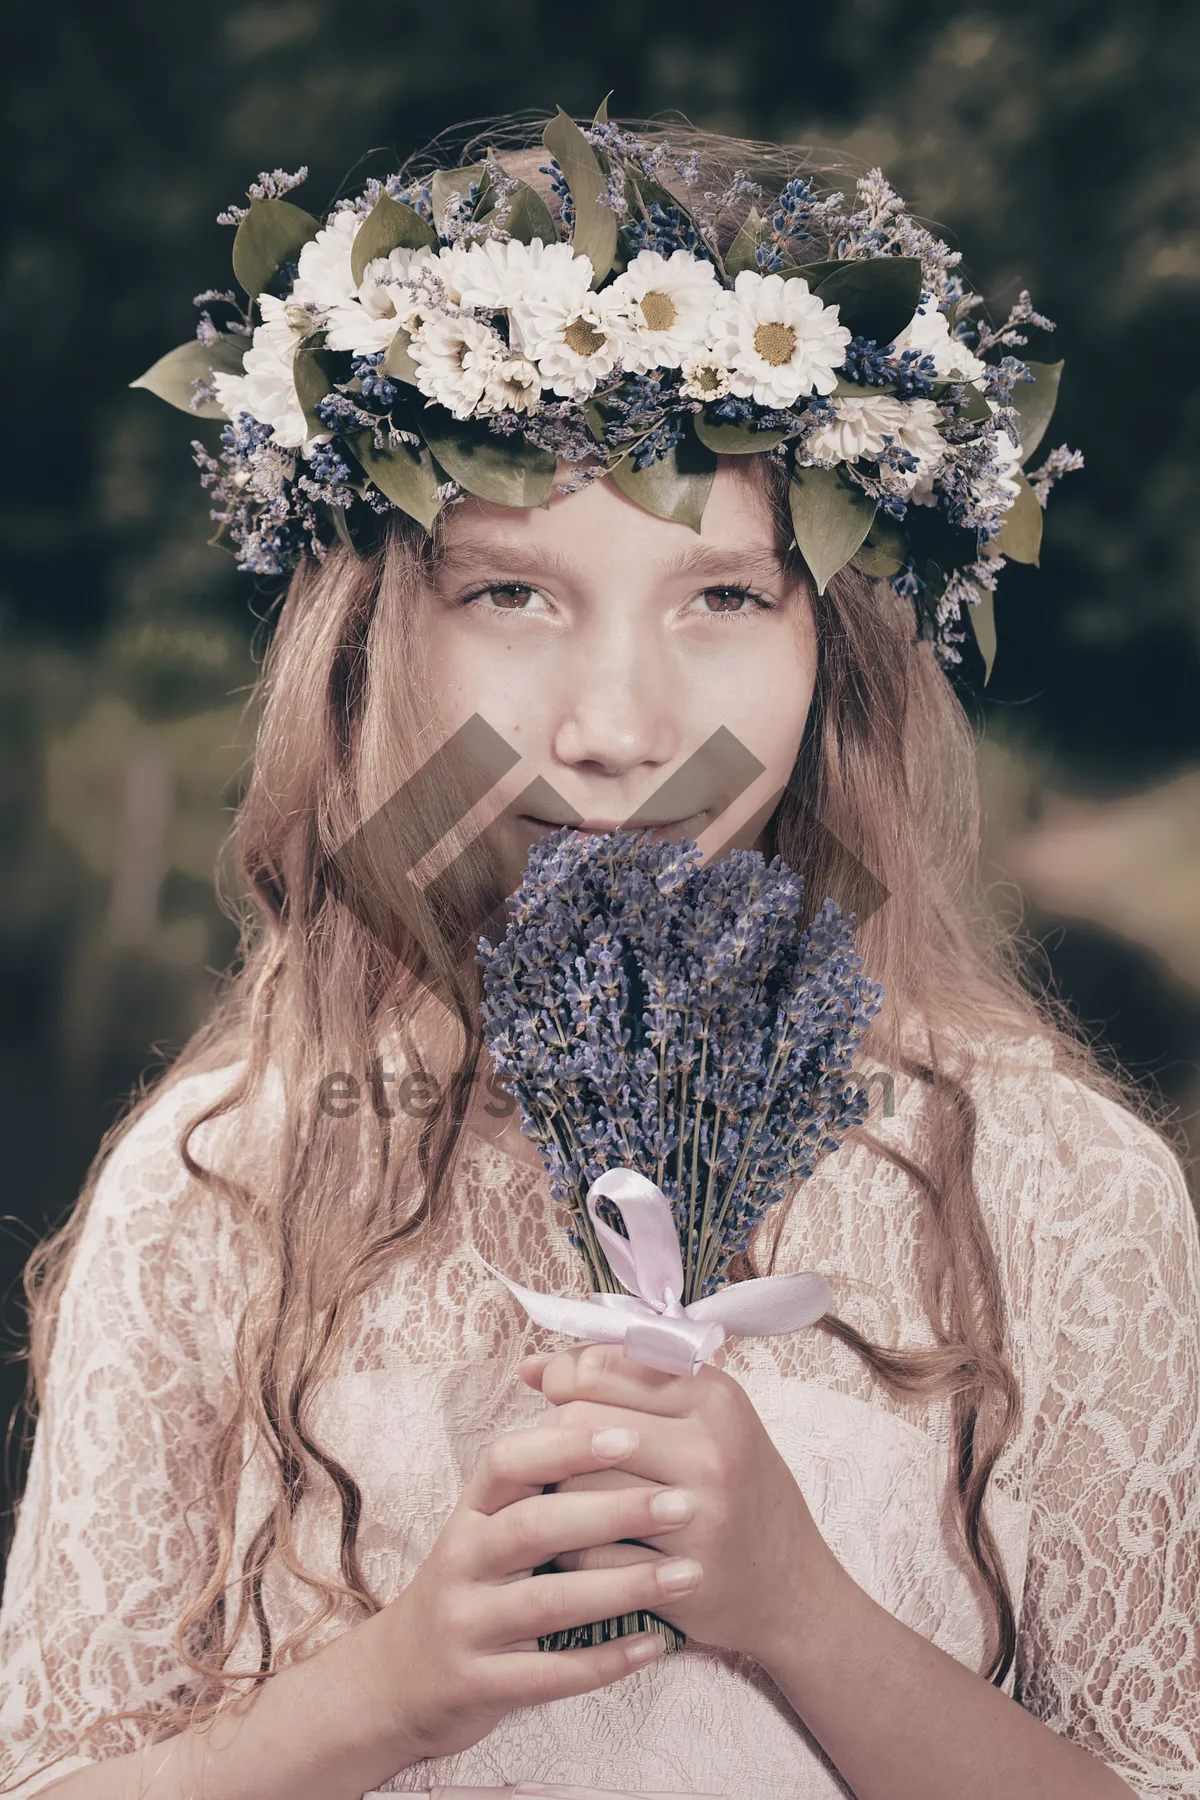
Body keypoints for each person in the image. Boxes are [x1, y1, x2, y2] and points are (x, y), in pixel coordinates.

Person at [0, 112, 1196, 1800]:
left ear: (831, 655)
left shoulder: (1062, 1192)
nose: (621, 729)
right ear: (374, 641)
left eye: (723, 599)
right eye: (512, 596)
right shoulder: (217, 1190)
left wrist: (801, 1613)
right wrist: (394, 1691)